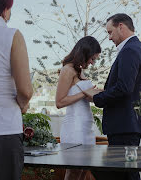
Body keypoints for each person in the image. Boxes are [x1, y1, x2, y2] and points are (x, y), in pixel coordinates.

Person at [83, 13, 141, 180]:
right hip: (127, 124)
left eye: (110, 32)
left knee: (122, 174)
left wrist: (96, 98)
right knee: (127, 173)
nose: (109, 38)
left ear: (121, 26)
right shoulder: (136, 48)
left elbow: (124, 88)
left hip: (124, 125)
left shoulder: (130, 50)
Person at [0, 0, 33, 180]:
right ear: (6, 8)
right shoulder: (12, 35)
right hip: (4, 130)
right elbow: (25, 90)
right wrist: (22, 104)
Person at [56, 36, 102, 180]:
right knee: (74, 171)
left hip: (86, 127)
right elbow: (59, 102)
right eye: (92, 58)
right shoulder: (68, 70)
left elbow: (84, 96)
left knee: (83, 171)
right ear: (85, 53)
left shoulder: (80, 71)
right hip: (74, 128)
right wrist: (84, 93)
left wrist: (96, 94)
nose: (92, 62)